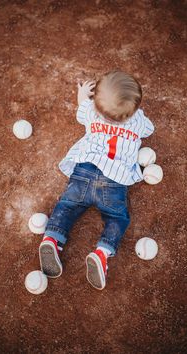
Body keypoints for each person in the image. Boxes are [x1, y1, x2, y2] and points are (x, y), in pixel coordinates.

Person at [39, 70, 154, 290]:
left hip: (84, 170)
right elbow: (150, 129)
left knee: (68, 205)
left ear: (98, 105)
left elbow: (81, 108)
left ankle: (52, 238)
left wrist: (83, 93)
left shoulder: (92, 112)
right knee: (117, 218)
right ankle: (102, 251)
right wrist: (135, 114)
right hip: (114, 181)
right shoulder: (138, 121)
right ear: (133, 111)